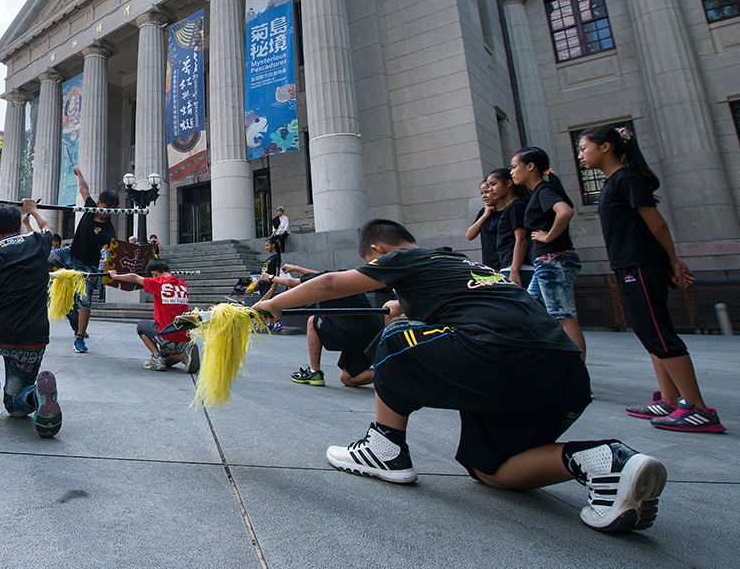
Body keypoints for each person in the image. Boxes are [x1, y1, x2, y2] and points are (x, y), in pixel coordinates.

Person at [252, 219, 666, 534]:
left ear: (377, 251)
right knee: (491, 468)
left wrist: (268, 307)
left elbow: (328, 284)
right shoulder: (463, 262)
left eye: (371, 264)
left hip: (502, 354)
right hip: (565, 371)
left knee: (395, 339)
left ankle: (385, 448)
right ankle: (603, 460)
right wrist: (407, 308)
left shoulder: (403, 258)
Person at [578, 124, 725, 433]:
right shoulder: (614, 182)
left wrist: (674, 262)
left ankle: (697, 407)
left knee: (658, 332)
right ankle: (670, 399)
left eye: (584, 148)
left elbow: (657, 225)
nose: (580, 155)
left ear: (605, 147)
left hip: (641, 266)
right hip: (629, 266)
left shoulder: (626, 179)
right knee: (649, 331)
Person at [0, 199, 62, 438]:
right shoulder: (37, 241)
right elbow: (49, 228)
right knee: (16, 406)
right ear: (18, 228)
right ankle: (34, 396)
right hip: (34, 339)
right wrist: (33, 210)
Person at [511, 147, 586, 357]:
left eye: (515, 167)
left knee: (564, 317)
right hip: (547, 262)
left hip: (552, 259)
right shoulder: (539, 192)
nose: (512, 172)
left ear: (531, 167)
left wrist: (548, 237)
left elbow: (565, 212)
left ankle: (578, 380)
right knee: (531, 308)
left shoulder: (544, 191)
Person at [271, 263, 384, 388]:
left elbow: (291, 282)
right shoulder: (342, 279)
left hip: (354, 330)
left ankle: (314, 371)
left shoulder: (325, 282)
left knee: (313, 321)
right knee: (348, 379)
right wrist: (296, 268)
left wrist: (269, 278)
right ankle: (396, 373)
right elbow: (318, 276)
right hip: (374, 332)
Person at [48, 165, 117, 353]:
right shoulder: (90, 207)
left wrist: (113, 265)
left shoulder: (109, 230)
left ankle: (79, 338)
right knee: (42, 259)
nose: (107, 211)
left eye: (112, 209)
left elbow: (113, 252)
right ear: (99, 203)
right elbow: (84, 189)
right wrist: (79, 174)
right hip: (69, 254)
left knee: (84, 301)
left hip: (87, 267)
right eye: (105, 207)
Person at [108, 260, 200, 373]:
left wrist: (114, 275)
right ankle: (182, 356)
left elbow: (133, 277)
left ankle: (157, 357)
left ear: (154, 273)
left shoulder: (159, 282)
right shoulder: (182, 284)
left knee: (142, 326)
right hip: (185, 337)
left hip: (167, 335)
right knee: (167, 362)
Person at [485, 168, 532, 288]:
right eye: (489, 186)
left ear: (509, 183)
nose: (490, 190)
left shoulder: (516, 207)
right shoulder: (511, 208)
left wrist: (514, 270)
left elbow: (521, 239)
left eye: (494, 184)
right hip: (509, 267)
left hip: (520, 269)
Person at [464, 181, 501, 270]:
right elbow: (469, 235)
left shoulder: (510, 210)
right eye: (482, 193)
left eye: (487, 192)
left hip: (506, 263)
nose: (483, 196)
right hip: (490, 264)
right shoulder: (483, 212)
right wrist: (485, 215)